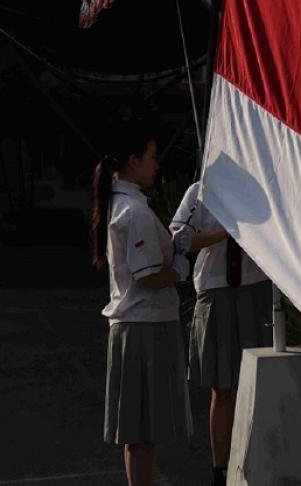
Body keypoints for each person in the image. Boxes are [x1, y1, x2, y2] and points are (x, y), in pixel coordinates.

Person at [90, 123, 193, 486]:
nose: (156, 165)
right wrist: (180, 266)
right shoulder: (132, 210)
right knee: (143, 433)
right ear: (132, 161)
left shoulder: (125, 203)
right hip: (144, 326)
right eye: (151, 157)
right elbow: (149, 275)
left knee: (142, 432)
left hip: (139, 325)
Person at [170, 181, 272, 486]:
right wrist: (226, 233)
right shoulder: (201, 190)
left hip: (255, 286)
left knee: (255, 385)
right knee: (222, 384)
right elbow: (179, 239)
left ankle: (255, 462)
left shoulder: (260, 185)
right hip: (217, 289)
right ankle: (221, 469)